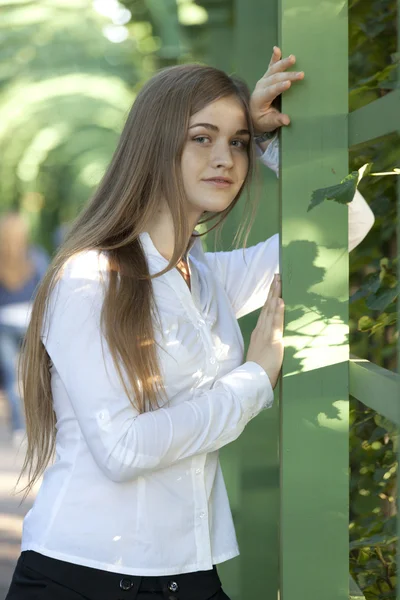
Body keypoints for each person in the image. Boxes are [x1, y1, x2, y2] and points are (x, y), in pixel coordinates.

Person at [6, 47, 374, 600]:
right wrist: (254, 379)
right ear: (155, 146)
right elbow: (124, 449)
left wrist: (273, 141)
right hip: (81, 576)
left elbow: (346, 223)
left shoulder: (207, 278)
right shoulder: (89, 278)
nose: (225, 157)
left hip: (189, 576)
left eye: (237, 142)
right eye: (202, 137)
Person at [0, 212, 49, 447]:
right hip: (30, 322)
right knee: (36, 374)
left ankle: (19, 427)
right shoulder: (35, 256)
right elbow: (46, 288)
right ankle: (40, 423)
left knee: (11, 377)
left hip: (5, 324)